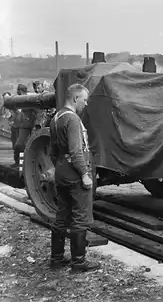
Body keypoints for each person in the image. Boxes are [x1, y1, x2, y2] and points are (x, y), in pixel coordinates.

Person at [48, 83, 99, 272]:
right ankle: (79, 263)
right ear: (75, 98)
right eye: (84, 100)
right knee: (80, 217)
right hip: (76, 173)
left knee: (62, 215)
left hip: (61, 171)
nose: (85, 104)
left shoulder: (56, 118)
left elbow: (53, 151)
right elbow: (76, 151)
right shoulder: (73, 119)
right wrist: (85, 175)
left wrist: (60, 167)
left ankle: (57, 259)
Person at [13, 84, 36, 159]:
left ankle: (21, 162)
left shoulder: (30, 98)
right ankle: (19, 162)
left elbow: (36, 111)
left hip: (30, 125)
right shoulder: (23, 98)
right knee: (19, 145)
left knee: (23, 145)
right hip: (24, 125)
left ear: (20, 91)